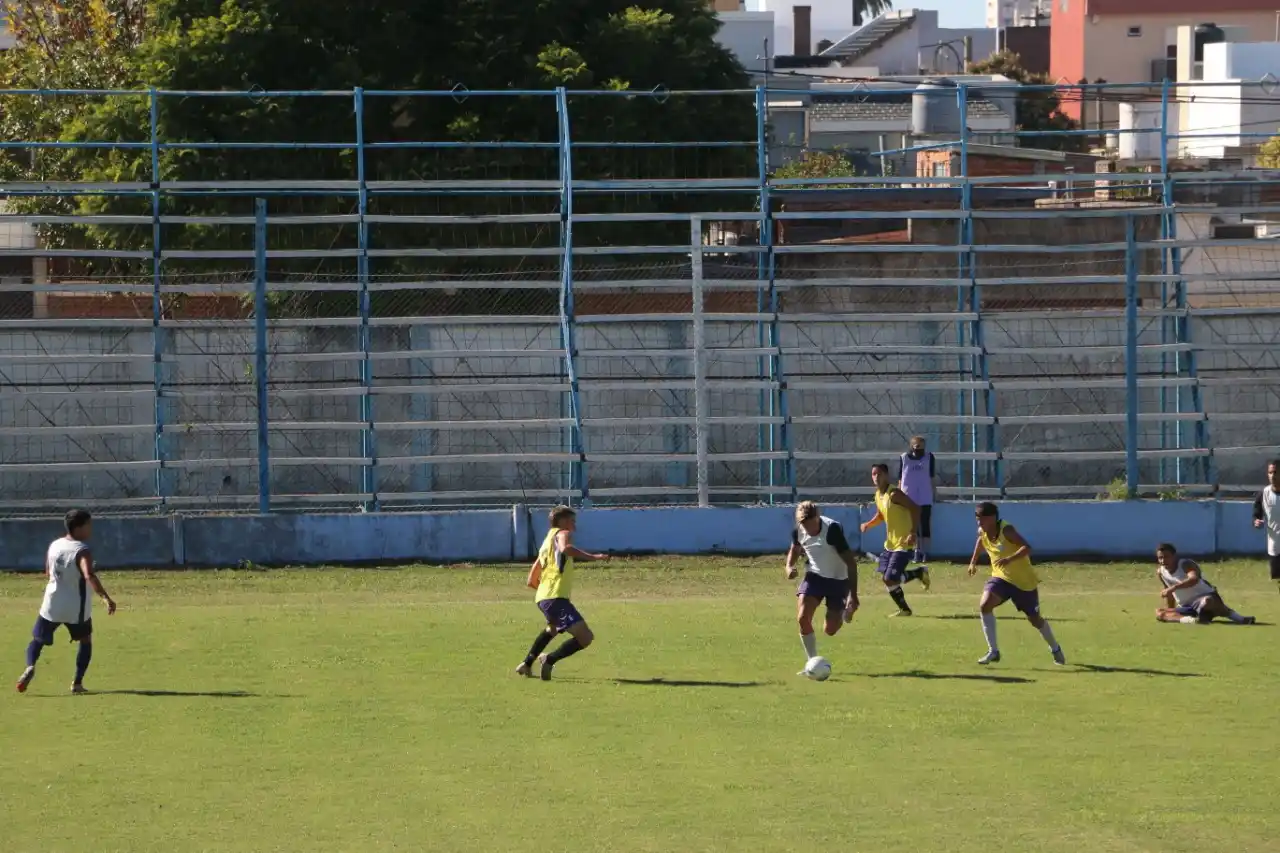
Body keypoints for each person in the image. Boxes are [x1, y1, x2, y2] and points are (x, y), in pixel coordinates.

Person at [16, 509, 117, 694]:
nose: (90, 528)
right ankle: (77, 683)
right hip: (75, 607)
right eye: (88, 525)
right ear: (78, 528)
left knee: (37, 639)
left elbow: (48, 572)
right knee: (85, 641)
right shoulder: (82, 550)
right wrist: (105, 598)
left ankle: (30, 666)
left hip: (52, 602)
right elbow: (89, 575)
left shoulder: (55, 545)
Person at [515, 505, 610, 681]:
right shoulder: (562, 534)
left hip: (543, 598)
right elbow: (566, 548)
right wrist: (594, 557)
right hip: (556, 598)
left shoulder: (545, 543)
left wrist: (548, 594)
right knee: (585, 637)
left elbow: (531, 580)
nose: (574, 524)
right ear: (563, 521)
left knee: (552, 629)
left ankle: (527, 664)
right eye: (572, 520)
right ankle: (548, 659)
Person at [967, 502, 1065, 666]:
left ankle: (1055, 648)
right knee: (985, 605)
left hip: (1023, 582)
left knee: (1035, 619)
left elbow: (1027, 547)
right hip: (1001, 578)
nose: (979, 522)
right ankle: (993, 651)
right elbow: (980, 541)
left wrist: (1009, 559)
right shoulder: (983, 531)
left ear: (992, 518)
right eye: (977, 519)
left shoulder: (1007, 530)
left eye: (982, 519)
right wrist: (973, 562)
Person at [784, 501, 859, 677]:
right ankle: (812, 663)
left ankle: (845, 611)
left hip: (838, 580)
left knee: (830, 630)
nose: (807, 529)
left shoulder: (832, 530)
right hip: (815, 576)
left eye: (810, 524)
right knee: (803, 618)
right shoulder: (799, 531)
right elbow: (795, 549)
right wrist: (788, 566)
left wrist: (853, 596)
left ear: (817, 517)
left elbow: (851, 563)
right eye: (803, 524)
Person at [861, 464, 929, 617]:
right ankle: (906, 606)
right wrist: (868, 524)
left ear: (886, 475)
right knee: (888, 580)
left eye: (879, 474)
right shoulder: (878, 495)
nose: (876, 477)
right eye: (873, 474)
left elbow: (915, 508)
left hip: (904, 543)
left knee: (890, 578)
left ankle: (918, 575)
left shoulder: (894, 494)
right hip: (890, 544)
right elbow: (881, 515)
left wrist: (912, 532)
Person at [1155, 543, 1255, 625]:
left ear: (1174, 556)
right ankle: (1192, 621)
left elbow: (1194, 579)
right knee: (1160, 613)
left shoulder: (1185, 564)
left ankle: (1240, 619)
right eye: (1160, 558)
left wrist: (1173, 588)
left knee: (1207, 601)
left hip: (1205, 598)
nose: (1163, 561)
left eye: (1166, 557)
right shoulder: (1161, 572)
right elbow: (1169, 594)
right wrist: (1171, 610)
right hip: (1187, 606)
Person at [897, 436, 940, 562]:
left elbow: (931, 477)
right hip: (908, 496)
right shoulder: (904, 458)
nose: (919, 450)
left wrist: (934, 492)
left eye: (922, 447)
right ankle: (915, 550)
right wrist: (898, 495)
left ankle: (925, 552)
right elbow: (900, 478)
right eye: (917, 447)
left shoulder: (929, 457)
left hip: (925, 495)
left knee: (924, 523)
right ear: (912, 447)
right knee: (911, 525)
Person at [1252, 459, 1280, 593]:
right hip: (1275, 543)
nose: (1273, 476)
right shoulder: (1264, 494)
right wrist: (1256, 521)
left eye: (1276, 472)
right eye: (1270, 472)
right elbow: (1257, 513)